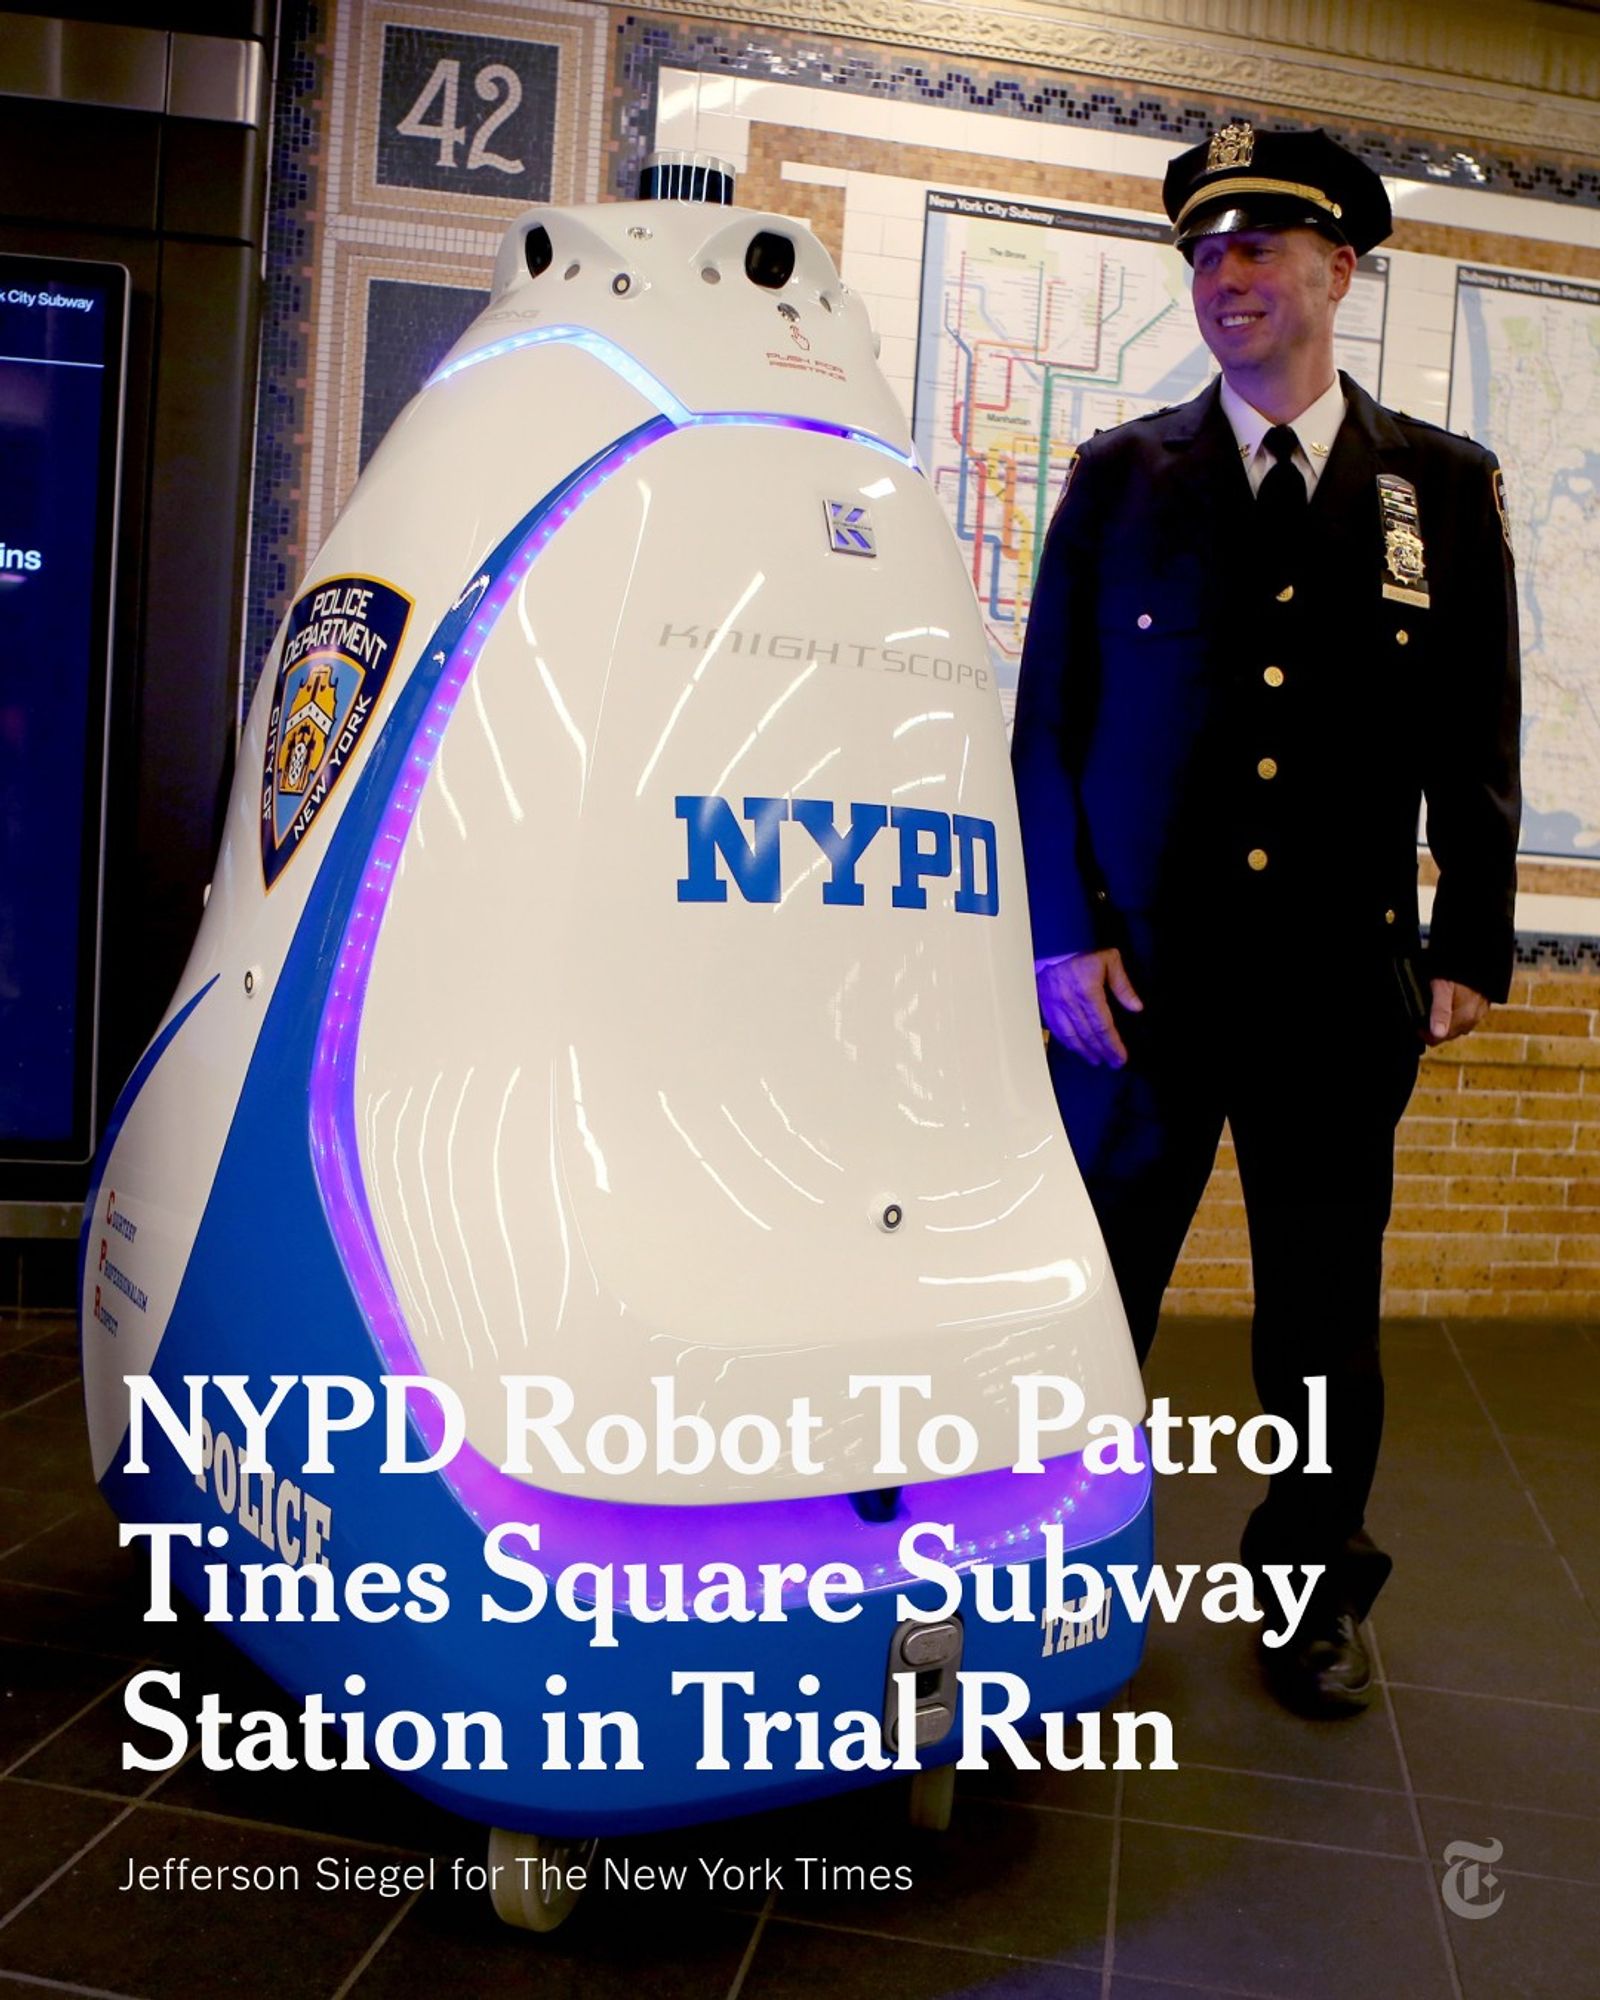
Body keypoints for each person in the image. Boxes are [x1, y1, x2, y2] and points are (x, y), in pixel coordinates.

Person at [1011, 124, 1521, 1717]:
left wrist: (1467, 947)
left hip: (1330, 989)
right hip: (1142, 991)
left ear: (1336, 272)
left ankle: (1311, 1595)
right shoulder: (1121, 480)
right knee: (1100, 1297)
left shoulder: (1436, 489)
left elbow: (1477, 730)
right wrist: (1056, 937)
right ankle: (1044, 1572)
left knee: (1318, 1322)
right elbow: (1044, 730)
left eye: (1258, 250)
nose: (1224, 279)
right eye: (1203, 254)